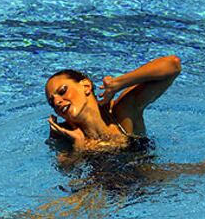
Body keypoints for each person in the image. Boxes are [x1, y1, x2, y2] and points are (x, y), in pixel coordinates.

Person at [45, 55, 182, 151]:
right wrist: (78, 146)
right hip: (96, 191)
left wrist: (120, 83)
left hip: (147, 184)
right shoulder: (65, 133)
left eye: (62, 91)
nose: (57, 102)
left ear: (86, 86)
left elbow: (173, 65)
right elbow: (67, 174)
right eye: (52, 102)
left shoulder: (122, 113)